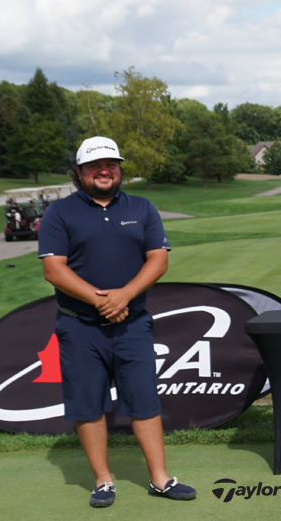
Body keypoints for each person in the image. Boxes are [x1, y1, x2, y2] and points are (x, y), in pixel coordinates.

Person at [38, 136, 197, 506]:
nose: (104, 171)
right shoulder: (59, 213)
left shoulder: (141, 208)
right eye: (94, 166)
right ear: (78, 173)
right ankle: (103, 480)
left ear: (120, 168)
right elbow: (53, 270)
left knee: (144, 401)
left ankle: (159, 478)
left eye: (110, 164)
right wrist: (100, 300)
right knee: (88, 405)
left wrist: (123, 296)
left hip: (132, 323)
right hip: (79, 326)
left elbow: (158, 259)